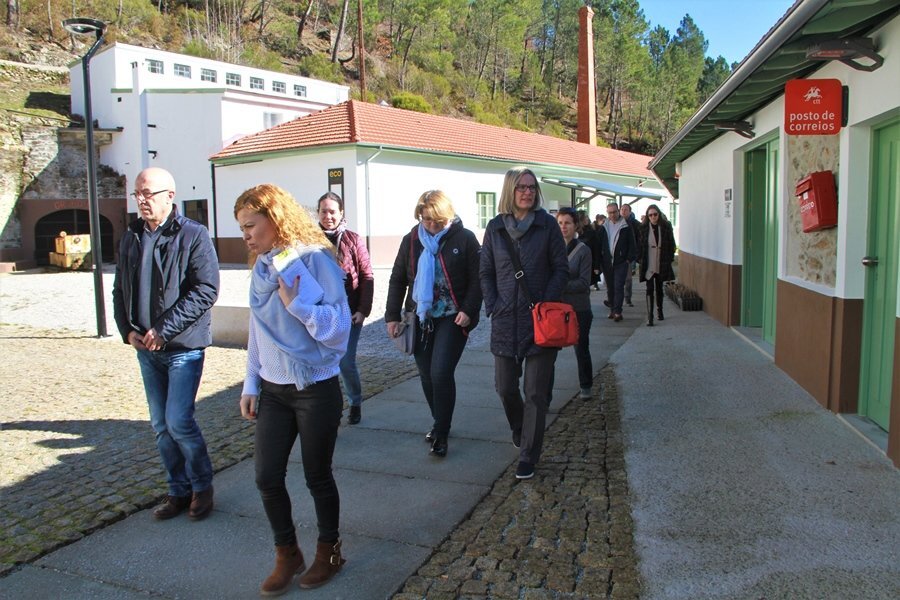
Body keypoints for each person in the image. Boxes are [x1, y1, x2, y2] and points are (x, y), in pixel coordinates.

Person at [235, 184, 351, 595]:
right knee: (267, 477)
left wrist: (299, 306)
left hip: (315, 387)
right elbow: (259, 330)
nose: (246, 236)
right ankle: (288, 553)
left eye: (251, 226)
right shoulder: (263, 267)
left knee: (317, 476)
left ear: (275, 218)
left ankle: (329, 552)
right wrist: (251, 382)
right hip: (273, 390)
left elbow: (340, 328)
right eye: (242, 228)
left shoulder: (314, 259)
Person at [112, 167, 219, 522]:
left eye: (148, 194)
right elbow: (119, 289)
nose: (142, 200)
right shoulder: (132, 236)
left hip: (182, 348)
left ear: (170, 196)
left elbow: (206, 290)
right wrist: (127, 330)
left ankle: (202, 487)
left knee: (179, 421)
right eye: (137, 194)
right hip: (146, 349)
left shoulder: (193, 234)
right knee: (161, 425)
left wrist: (165, 329)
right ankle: (178, 490)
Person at [480, 166, 568, 480]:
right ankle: (520, 428)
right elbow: (485, 271)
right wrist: (493, 304)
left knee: (535, 393)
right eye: (522, 187)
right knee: (505, 387)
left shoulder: (547, 225)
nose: (528, 192)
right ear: (510, 190)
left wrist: (546, 302)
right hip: (505, 319)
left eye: (532, 187)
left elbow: (561, 268)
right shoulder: (495, 228)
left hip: (541, 321)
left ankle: (528, 455)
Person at [385, 190, 482, 458]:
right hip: (421, 316)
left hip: (453, 316)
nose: (431, 225)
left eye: (437, 221)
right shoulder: (412, 240)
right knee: (426, 374)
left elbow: (478, 278)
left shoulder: (464, 238)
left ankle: (441, 432)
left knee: (440, 372)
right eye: (426, 219)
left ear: (447, 216)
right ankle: (439, 421)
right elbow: (397, 278)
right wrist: (392, 316)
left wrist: (469, 310)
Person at [317, 192, 374, 425]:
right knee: (322, 364)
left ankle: (355, 402)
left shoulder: (353, 239)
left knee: (346, 362)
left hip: (349, 313)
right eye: (323, 211)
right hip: (321, 314)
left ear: (341, 213)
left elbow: (366, 275)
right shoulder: (310, 240)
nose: (328, 216)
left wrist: (363, 309)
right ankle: (328, 408)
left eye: (332, 211)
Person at [557, 208, 594, 399]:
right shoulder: (553, 249)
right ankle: (544, 395)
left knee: (581, 348)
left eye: (567, 223)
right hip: (557, 309)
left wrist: (559, 285)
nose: (563, 227)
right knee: (548, 350)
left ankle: (586, 385)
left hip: (579, 308)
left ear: (575, 225)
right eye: (560, 223)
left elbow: (584, 283)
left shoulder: (583, 250)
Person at [638, 204, 676, 326]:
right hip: (649, 262)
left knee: (659, 288)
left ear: (658, 214)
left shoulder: (665, 226)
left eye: (655, 214)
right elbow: (639, 245)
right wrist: (640, 259)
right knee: (649, 288)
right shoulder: (643, 228)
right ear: (647, 216)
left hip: (661, 261)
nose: (653, 217)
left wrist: (669, 258)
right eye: (650, 215)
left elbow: (671, 243)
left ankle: (660, 310)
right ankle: (650, 316)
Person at [602, 202, 637, 322]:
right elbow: (600, 243)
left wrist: (628, 259)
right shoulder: (604, 226)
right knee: (610, 287)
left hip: (621, 262)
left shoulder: (625, 225)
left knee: (618, 286)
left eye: (614, 212)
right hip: (608, 262)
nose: (612, 215)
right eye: (610, 213)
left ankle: (618, 311)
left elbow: (632, 243)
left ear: (618, 211)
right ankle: (612, 309)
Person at [620, 203, 641, 307]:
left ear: (630, 211)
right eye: (622, 209)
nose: (623, 211)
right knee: (617, 279)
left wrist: (634, 254)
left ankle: (628, 298)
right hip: (617, 255)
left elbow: (638, 239)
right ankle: (616, 299)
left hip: (628, 255)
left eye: (626, 210)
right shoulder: (616, 222)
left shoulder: (635, 224)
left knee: (628, 279)